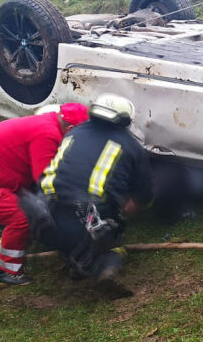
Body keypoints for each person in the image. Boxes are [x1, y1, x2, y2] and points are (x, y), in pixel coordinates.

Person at [0, 103, 89, 284]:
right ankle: (7, 270)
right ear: (70, 128)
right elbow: (46, 181)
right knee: (21, 218)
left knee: (34, 216)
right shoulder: (47, 134)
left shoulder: (46, 124)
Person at [35, 94, 153, 282]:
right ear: (126, 120)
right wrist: (130, 206)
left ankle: (75, 257)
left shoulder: (74, 133)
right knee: (112, 237)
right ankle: (106, 264)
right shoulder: (132, 147)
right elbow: (144, 197)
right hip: (87, 218)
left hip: (43, 212)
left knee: (69, 233)